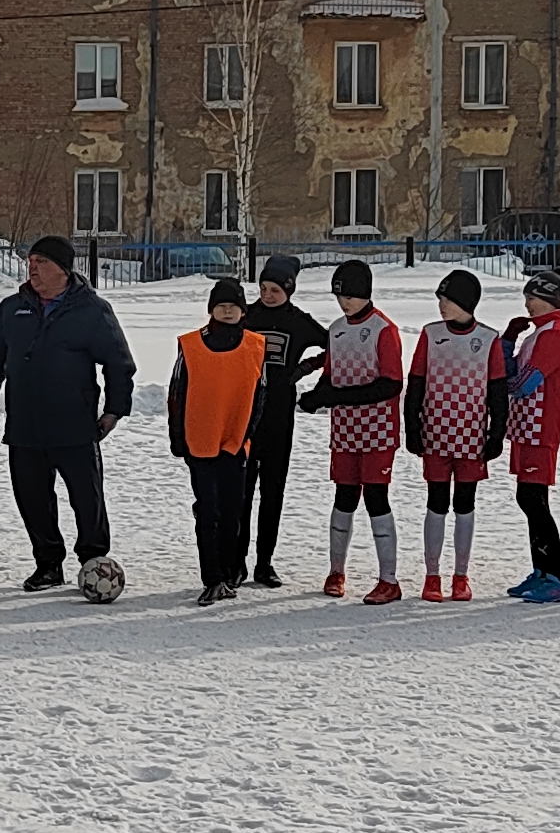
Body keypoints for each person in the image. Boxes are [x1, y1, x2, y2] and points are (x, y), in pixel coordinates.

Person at [0, 235, 134, 590]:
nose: (33, 270)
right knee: (32, 498)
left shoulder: (92, 310)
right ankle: (47, 564)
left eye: (41, 263)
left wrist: (115, 410)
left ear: (63, 269)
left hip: (74, 424)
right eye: (30, 263)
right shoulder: (12, 309)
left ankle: (94, 560)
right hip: (25, 425)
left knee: (86, 498)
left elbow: (118, 362)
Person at [293, 259, 406, 604]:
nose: (344, 303)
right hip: (344, 430)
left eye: (351, 297)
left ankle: (389, 579)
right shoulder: (337, 330)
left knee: (375, 497)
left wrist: (337, 396)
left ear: (366, 294)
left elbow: (390, 385)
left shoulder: (384, 330)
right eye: (339, 296)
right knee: (343, 497)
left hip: (377, 431)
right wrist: (316, 395)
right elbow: (332, 372)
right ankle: (336, 570)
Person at [400, 267, 511, 603]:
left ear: (466, 303)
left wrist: (496, 434)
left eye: (447, 299)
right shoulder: (430, 335)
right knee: (436, 503)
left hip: (470, 437)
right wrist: (412, 426)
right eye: (439, 299)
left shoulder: (489, 339)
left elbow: (497, 391)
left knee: (465, 504)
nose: (441, 305)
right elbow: (416, 383)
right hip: (436, 434)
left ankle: (460, 575)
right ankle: (432, 575)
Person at [166, 279, 271, 604]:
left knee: (233, 510)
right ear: (211, 309)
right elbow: (176, 394)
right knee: (208, 511)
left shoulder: (255, 346)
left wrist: (248, 434)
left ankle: (228, 573)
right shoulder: (191, 345)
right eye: (221, 304)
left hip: (235, 441)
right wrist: (177, 437)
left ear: (243, 310)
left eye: (234, 304)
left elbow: (261, 394)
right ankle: (211, 576)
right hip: (200, 441)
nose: (227, 310)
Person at [236, 254, 331, 587]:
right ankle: (237, 562)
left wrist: (306, 369)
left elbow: (335, 345)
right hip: (246, 417)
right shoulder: (247, 315)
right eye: (263, 287)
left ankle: (265, 563)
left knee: (272, 492)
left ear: (289, 289)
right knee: (242, 493)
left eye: (275, 289)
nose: (268, 294)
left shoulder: (298, 321)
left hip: (280, 416)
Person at [499, 271, 560, 604]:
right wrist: (507, 342)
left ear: (550, 299)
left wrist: (504, 383)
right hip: (524, 426)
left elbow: (521, 383)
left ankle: (556, 576)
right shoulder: (538, 334)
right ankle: (542, 570)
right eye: (527, 298)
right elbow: (512, 373)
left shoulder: (555, 335)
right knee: (527, 498)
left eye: (533, 297)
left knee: (534, 499)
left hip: (541, 428)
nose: (528, 304)